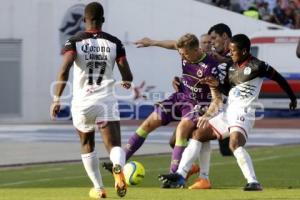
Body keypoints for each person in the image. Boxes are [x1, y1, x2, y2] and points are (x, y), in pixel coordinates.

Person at [158, 34, 298, 191]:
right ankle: (181, 176)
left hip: (244, 112)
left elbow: (279, 78)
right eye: (229, 50)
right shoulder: (231, 67)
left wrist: (292, 98)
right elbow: (228, 90)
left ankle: (253, 181)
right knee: (198, 134)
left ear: (244, 51)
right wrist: (216, 84)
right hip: (228, 111)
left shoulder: (258, 66)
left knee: (234, 144)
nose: (230, 53)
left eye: (233, 50)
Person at [50, 2, 133, 198]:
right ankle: (118, 167)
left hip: (82, 103)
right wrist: (127, 81)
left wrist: (56, 99)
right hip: (106, 101)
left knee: (87, 143)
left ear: (84, 20)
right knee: (113, 146)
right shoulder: (115, 43)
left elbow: (64, 69)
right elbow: (127, 73)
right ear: (103, 20)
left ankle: (99, 189)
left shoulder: (74, 41)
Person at [124, 33, 222, 185]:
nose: (182, 56)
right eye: (180, 53)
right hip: (180, 97)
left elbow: (216, 96)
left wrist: (209, 113)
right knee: (149, 122)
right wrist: (153, 41)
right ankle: (120, 160)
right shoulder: (184, 51)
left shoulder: (210, 66)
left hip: (198, 104)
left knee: (182, 129)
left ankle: (173, 177)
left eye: (185, 54)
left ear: (196, 50)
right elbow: (172, 44)